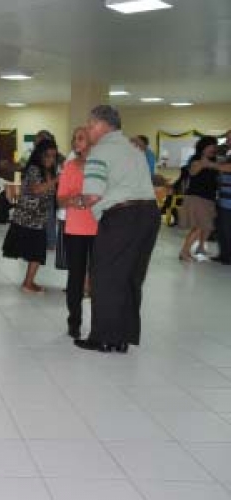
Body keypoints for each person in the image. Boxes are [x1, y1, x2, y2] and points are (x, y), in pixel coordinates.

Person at [74, 105, 160, 353]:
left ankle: (102, 337)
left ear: (104, 126)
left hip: (122, 217)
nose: (88, 130)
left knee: (105, 276)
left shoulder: (100, 151)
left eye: (91, 125)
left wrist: (75, 201)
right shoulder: (133, 149)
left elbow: (92, 195)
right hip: (149, 215)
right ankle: (122, 338)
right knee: (131, 277)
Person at [56, 127, 98, 338]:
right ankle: (74, 322)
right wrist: (75, 199)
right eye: (74, 138)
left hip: (102, 228)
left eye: (80, 138)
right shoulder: (70, 167)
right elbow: (60, 199)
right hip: (76, 229)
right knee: (76, 276)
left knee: (100, 278)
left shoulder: (104, 166)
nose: (75, 142)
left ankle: (100, 325)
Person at [1, 140, 58, 293]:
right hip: (27, 217)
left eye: (53, 156)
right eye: (47, 156)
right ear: (40, 155)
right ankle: (28, 283)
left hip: (39, 218)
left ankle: (28, 282)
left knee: (37, 253)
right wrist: (56, 180)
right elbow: (36, 190)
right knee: (37, 252)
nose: (50, 159)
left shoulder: (50, 171)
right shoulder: (34, 169)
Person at [178, 136, 225, 262]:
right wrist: (203, 163)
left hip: (209, 198)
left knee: (207, 226)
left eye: (214, 146)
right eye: (210, 146)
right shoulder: (196, 159)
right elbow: (192, 172)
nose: (213, 149)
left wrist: (211, 164)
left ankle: (200, 248)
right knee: (199, 226)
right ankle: (184, 252)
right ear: (203, 147)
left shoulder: (214, 160)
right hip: (197, 197)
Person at [214, 130, 231, 264]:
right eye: (226, 139)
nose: (227, 142)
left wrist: (210, 164)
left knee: (227, 229)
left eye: (229, 139)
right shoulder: (227, 154)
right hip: (223, 199)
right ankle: (224, 255)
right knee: (221, 229)